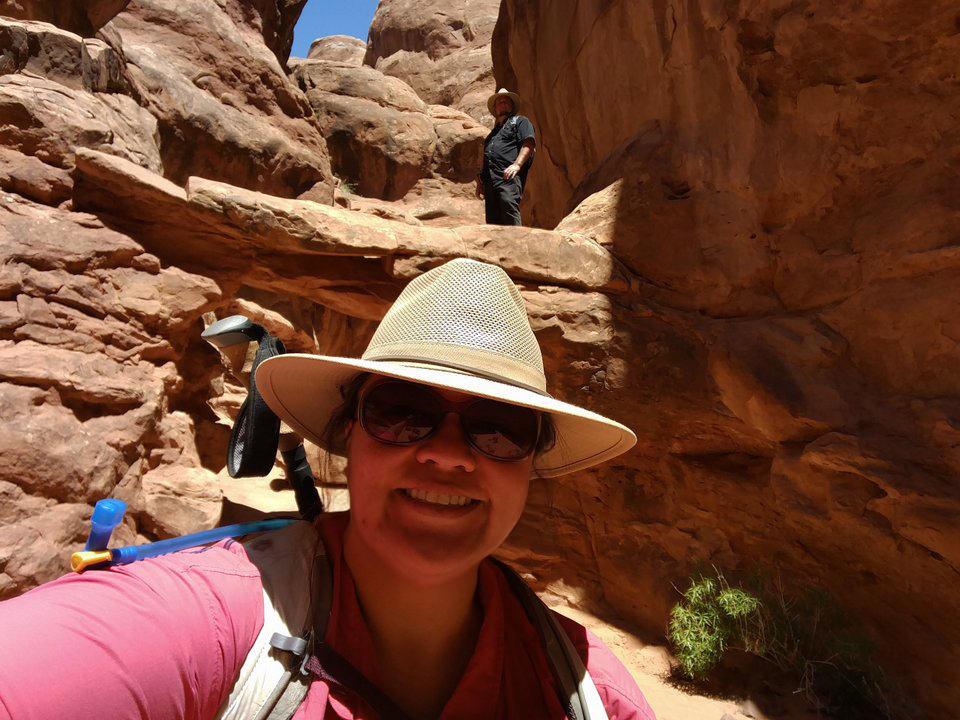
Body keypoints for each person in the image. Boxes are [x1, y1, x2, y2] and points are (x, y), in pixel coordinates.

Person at [0, 258, 656, 720]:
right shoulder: (206, 622)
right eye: (403, 412)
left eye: (499, 428)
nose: (449, 456)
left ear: (531, 466)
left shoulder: (589, 688)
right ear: (349, 435)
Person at [476, 88, 536, 226]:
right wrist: (480, 181)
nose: (502, 104)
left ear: (511, 106)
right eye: (499, 102)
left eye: (505, 101)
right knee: (493, 219)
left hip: (507, 176)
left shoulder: (520, 121)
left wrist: (517, 165)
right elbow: (486, 157)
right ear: (495, 109)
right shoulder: (493, 133)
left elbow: (529, 142)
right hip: (490, 181)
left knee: (508, 207)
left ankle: (518, 244)